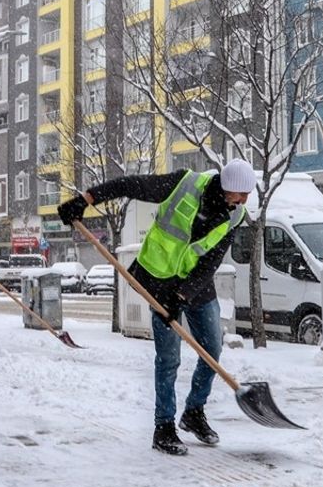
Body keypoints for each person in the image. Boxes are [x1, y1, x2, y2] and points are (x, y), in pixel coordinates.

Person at [58, 159, 255, 456]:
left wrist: (184, 295)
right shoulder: (184, 184)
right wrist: (87, 199)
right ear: (227, 188)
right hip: (159, 281)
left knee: (212, 349)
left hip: (195, 285)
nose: (244, 201)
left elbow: (211, 259)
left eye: (247, 196)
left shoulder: (235, 215)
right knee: (168, 358)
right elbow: (130, 185)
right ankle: (163, 427)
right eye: (241, 194)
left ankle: (194, 412)